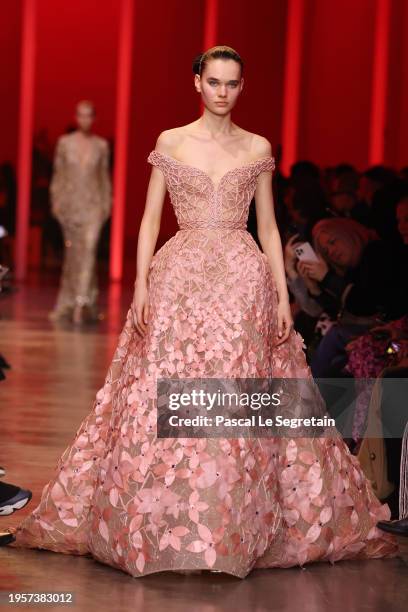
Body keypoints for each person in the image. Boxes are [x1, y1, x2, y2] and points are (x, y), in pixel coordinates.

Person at [7, 46, 396, 578]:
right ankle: (163, 521)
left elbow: (268, 227)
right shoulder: (171, 141)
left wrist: (282, 298)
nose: (222, 92)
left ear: (241, 87)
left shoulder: (257, 147)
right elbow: (148, 221)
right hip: (180, 275)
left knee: (235, 391)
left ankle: (231, 524)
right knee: (166, 387)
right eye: (213, 81)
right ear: (196, 83)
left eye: (232, 83)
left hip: (241, 278)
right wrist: (140, 284)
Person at [49, 100, 112, 324]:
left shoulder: (101, 146)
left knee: (89, 251)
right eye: (81, 115)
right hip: (70, 206)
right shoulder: (64, 143)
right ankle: (73, 302)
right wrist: (56, 202)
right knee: (74, 256)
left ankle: (80, 305)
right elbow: (59, 175)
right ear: (76, 117)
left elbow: (104, 178)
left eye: (89, 115)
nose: (85, 119)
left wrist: (107, 204)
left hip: (94, 207)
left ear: (93, 118)